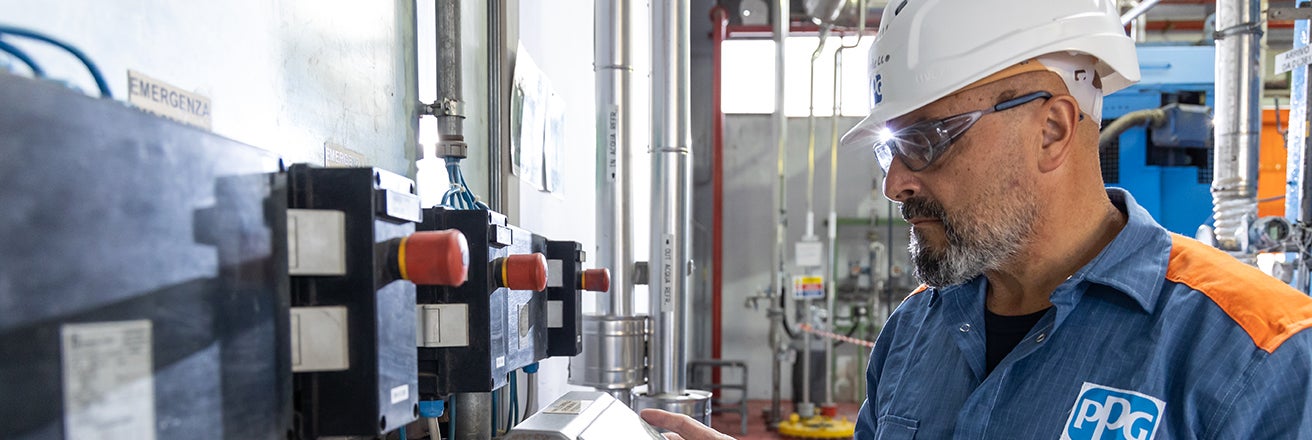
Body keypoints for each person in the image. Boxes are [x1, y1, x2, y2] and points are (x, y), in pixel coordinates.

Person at [641, 0, 1312, 438]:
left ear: (1052, 129)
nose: (896, 182)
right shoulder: (914, 330)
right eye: (889, 148)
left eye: (927, 140)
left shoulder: (1261, 354)